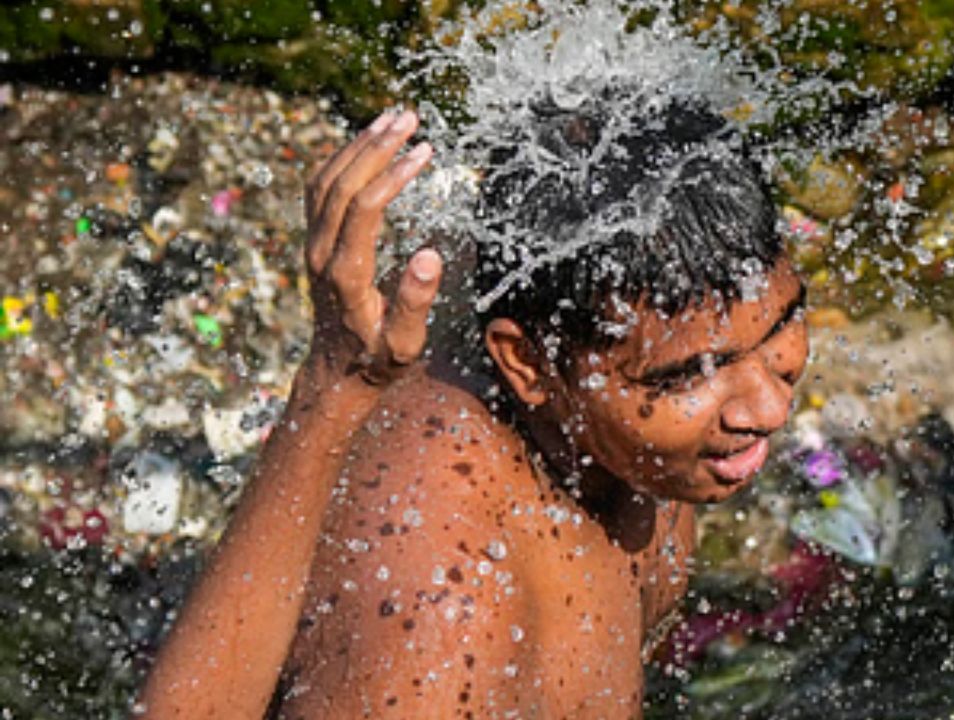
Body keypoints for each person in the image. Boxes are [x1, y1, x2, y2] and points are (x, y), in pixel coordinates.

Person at [136, 97, 809, 719]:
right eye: (687, 374)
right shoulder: (442, 611)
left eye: (780, 327)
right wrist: (331, 390)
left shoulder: (622, 372)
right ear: (525, 364)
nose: (768, 406)